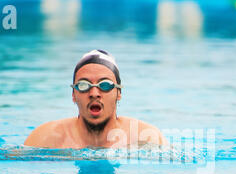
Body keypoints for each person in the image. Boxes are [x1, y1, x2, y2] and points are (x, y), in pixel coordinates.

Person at [24, 49, 167, 149]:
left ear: (119, 93)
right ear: (73, 94)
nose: (94, 93)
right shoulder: (45, 138)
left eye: (105, 85)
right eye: (83, 85)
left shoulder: (147, 138)